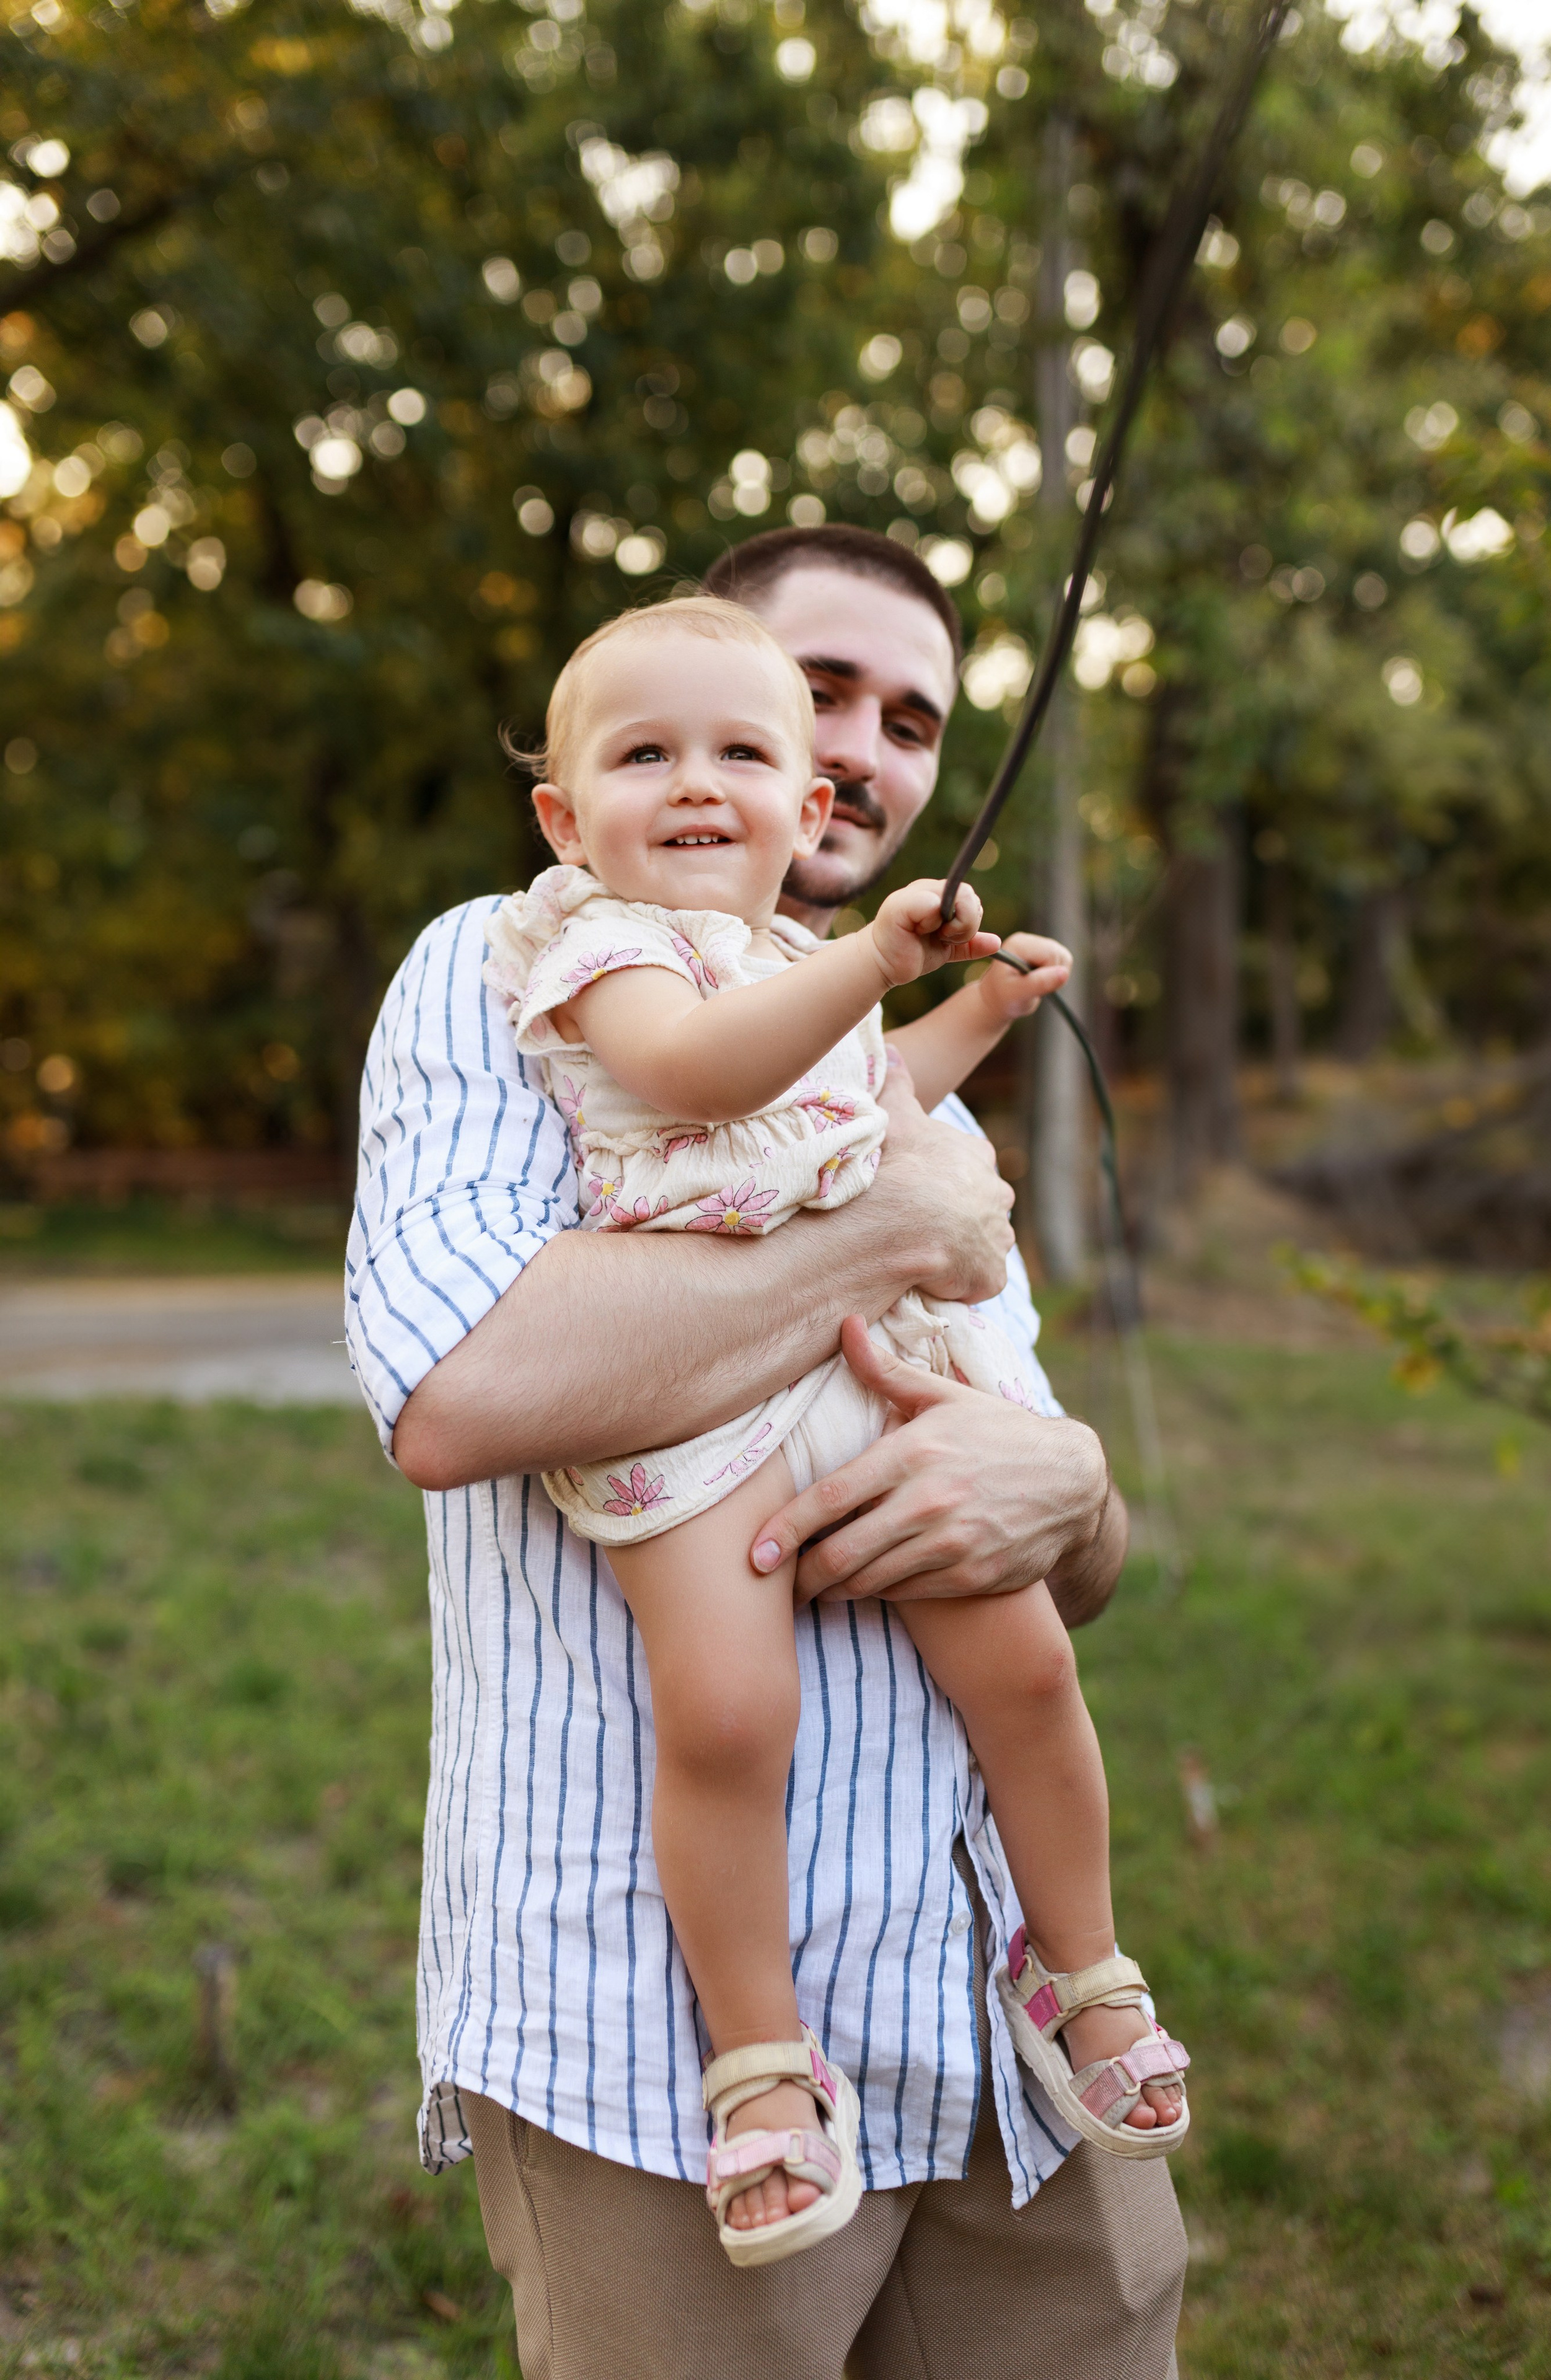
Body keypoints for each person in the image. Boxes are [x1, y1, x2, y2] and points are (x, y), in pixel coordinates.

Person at [346, 525, 1188, 2376]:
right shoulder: (513, 958)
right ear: (573, 800)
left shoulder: (824, 985)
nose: (860, 750)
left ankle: (1093, 1968)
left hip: (996, 2049)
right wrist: (890, 1200)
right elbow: (456, 1393)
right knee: (732, 1716)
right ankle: (763, 2062)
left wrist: (1077, 1493)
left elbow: (1032, 1474)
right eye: (821, 689)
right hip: (646, 2060)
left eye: (908, 722)